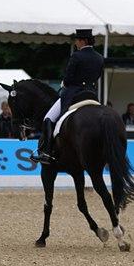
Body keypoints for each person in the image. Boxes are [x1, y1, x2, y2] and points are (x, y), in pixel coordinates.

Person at [32, 28, 104, 164]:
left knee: (48, 118)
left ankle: (46, 152)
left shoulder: (77, 56)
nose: (76, 42)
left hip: (73, 95)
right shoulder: (99, 58)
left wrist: (64, 83)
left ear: (83, 41)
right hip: (91, 95)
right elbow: (97, 76)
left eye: (77, 40)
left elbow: (69, 77)